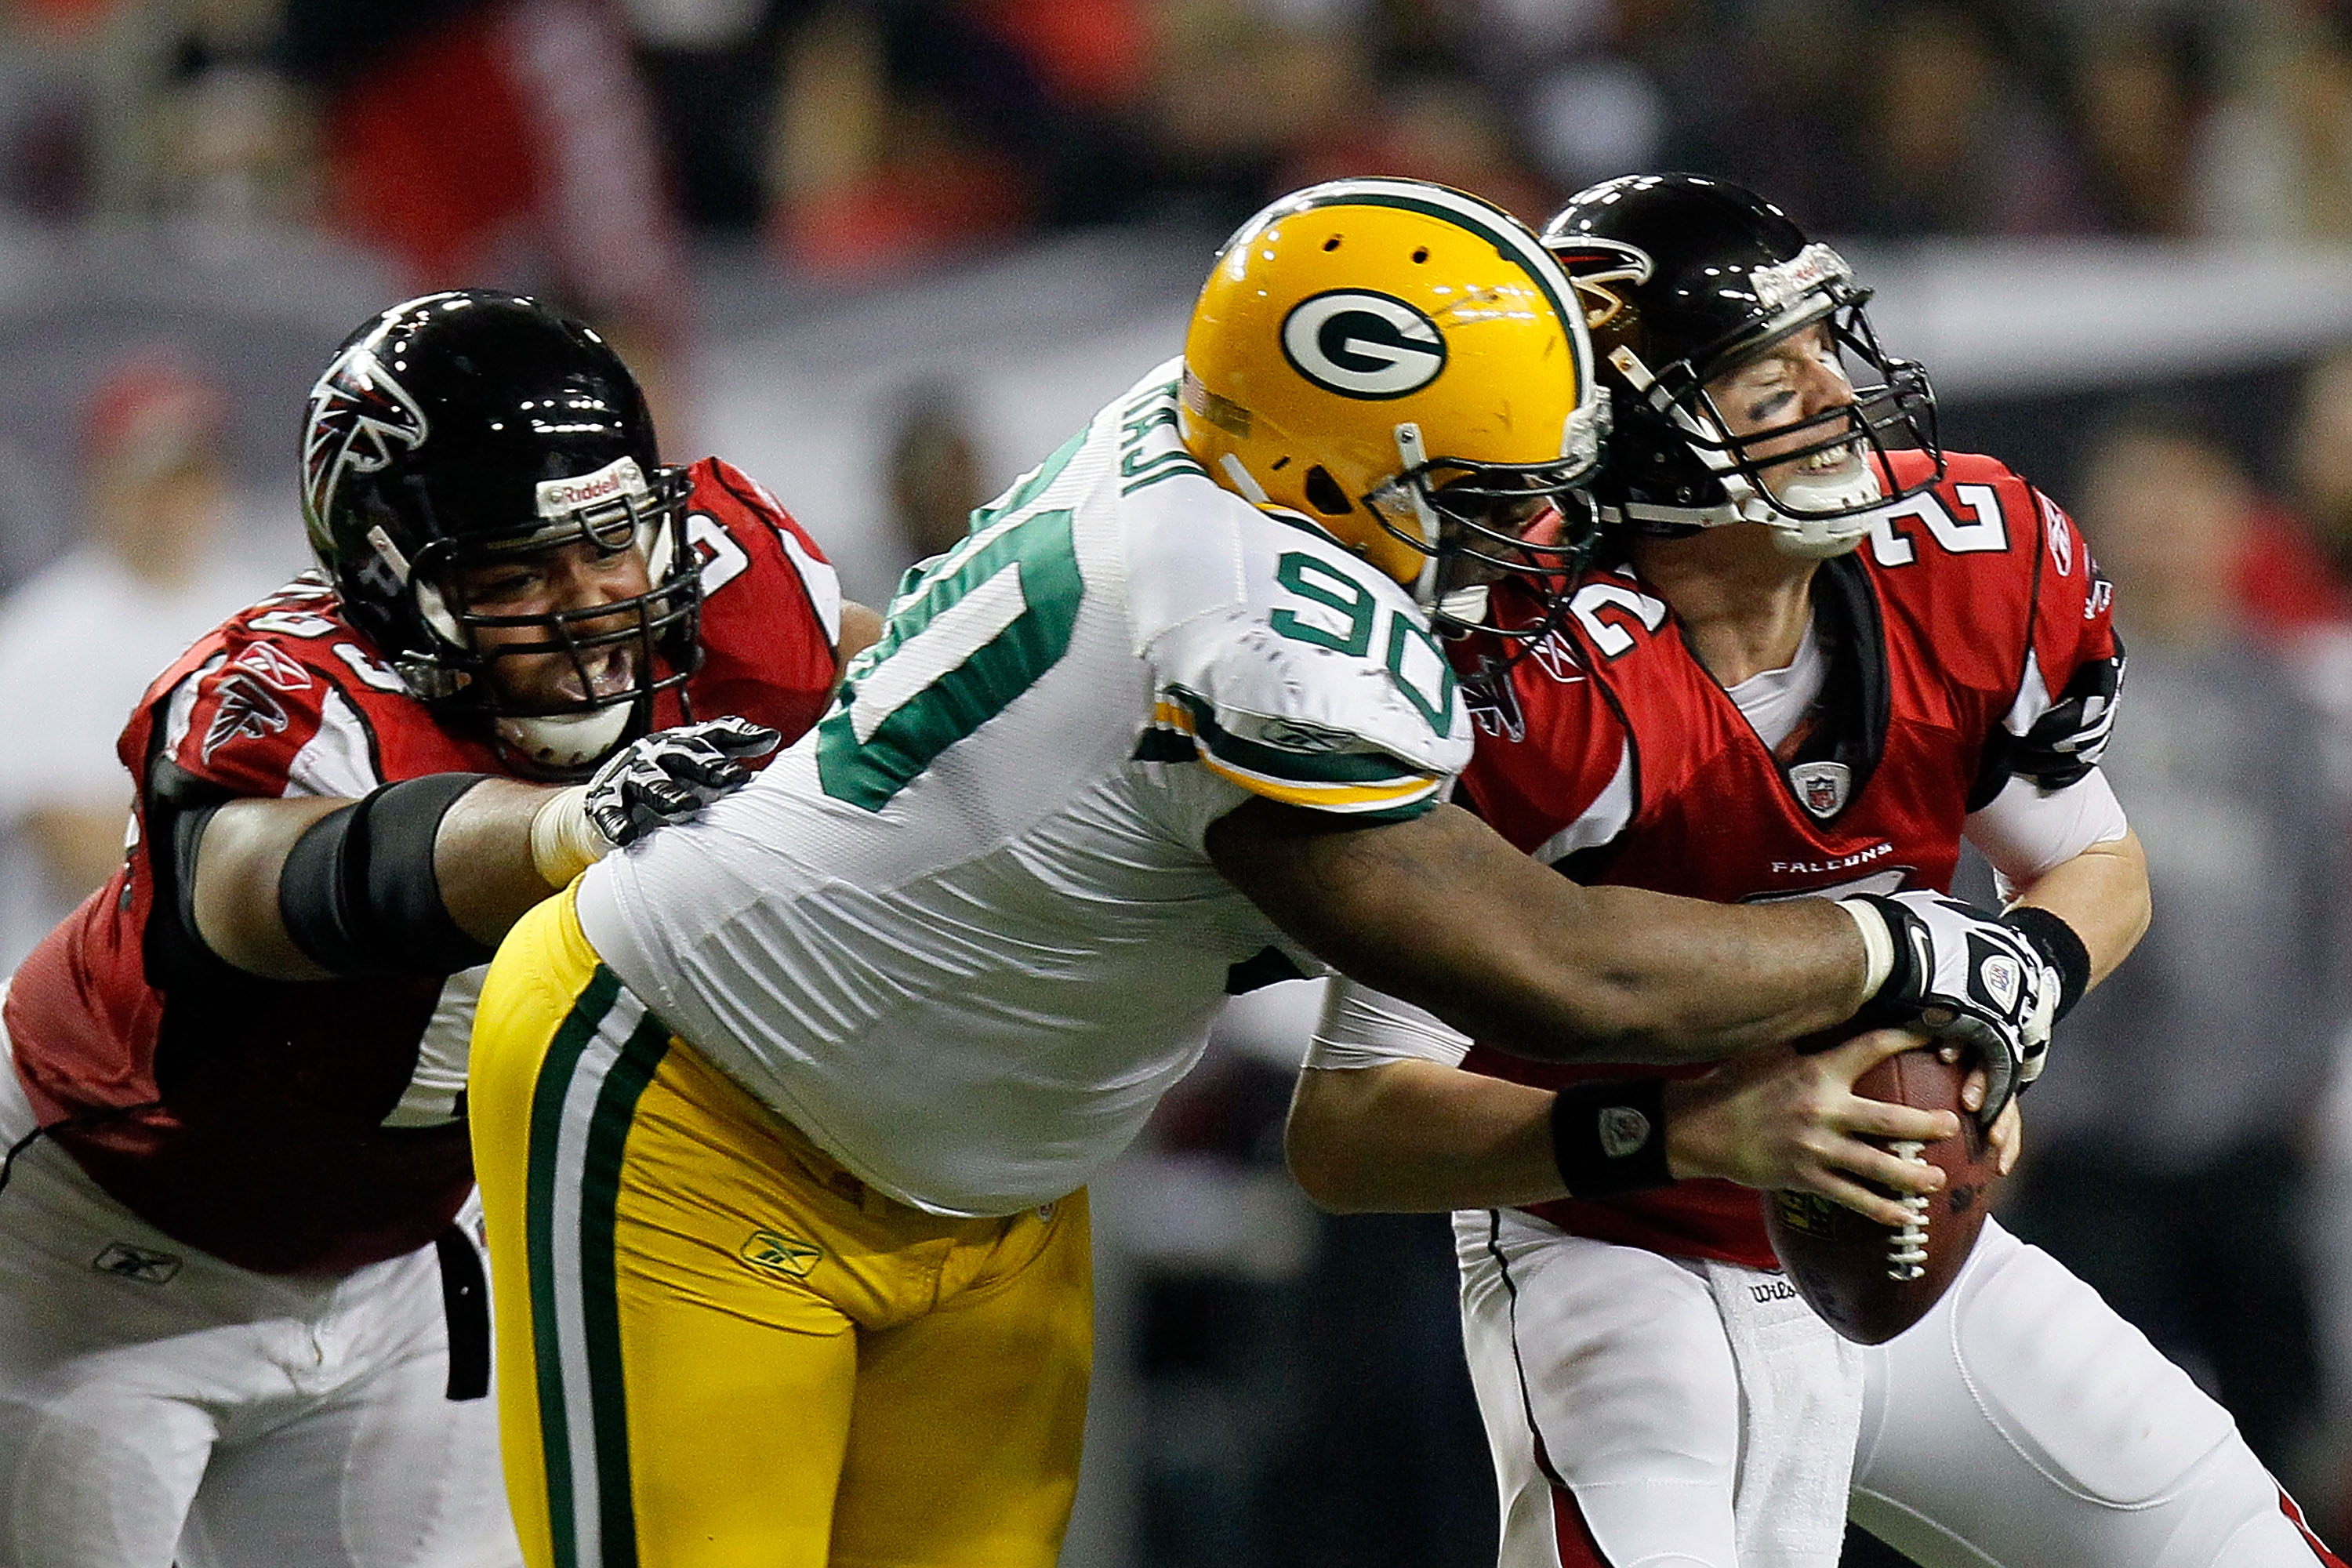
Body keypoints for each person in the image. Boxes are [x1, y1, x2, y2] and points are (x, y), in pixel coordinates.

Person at [463, 176, 2060, 1568]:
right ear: (1337, 472)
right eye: (1491, 500)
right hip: (706, 1097)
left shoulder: (1222, 425)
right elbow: (1554, 967)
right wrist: (1897, 946)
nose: (1538, 540)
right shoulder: (1260, 621)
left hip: (988, 1163)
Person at [1285, 173, 2343, 1568]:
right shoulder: (1522, 678)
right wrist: (1673, 1131)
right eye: (1757, 373)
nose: (1826, 389)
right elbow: (1348, 1131)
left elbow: (2095, 861)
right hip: (1622, 1258)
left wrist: (2006, 1002)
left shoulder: (1964, 559)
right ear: (1627, 430)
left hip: (1913, 1241)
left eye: (1818, 342)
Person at [0, 290, 875, 1568]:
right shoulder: (295, 689)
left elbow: (922, 696)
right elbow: (269, 886)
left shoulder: (727, 605)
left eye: (608, 545)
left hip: (401, 1264)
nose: (585, 610)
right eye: (517, 571)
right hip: (101, 1249)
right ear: (389, 581)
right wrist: (554, 833)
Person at [0, 354, 286, 970]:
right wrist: (263, 841)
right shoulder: (38, 637)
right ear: (101, 482)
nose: (173, 502)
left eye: (191, 476)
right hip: (85, 998)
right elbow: (76, 847)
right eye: (150, 477)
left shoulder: (272, 620)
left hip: (243, 993)